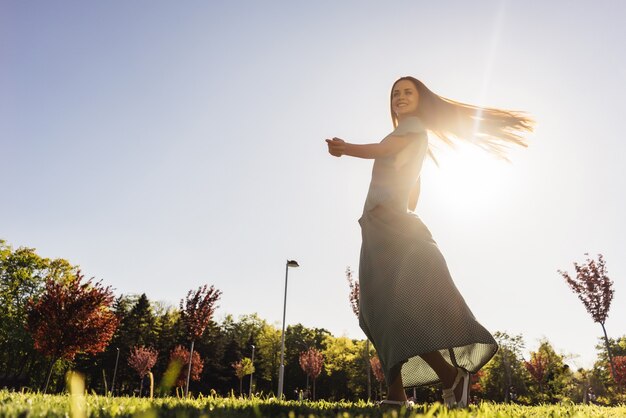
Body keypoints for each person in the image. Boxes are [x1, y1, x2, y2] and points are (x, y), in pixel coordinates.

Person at [326, 76, 533, 408]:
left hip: (392, 229)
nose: (400, 97)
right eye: (395, 93)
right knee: (377, 313)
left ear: (421, 99)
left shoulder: (411, 128)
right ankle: (407, 392)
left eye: (408, 92)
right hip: (381, 229)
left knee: (389, 311)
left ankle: (428, 386)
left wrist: (345, 148)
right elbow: (410, 180)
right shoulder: (412, 133)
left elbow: (385, 151)